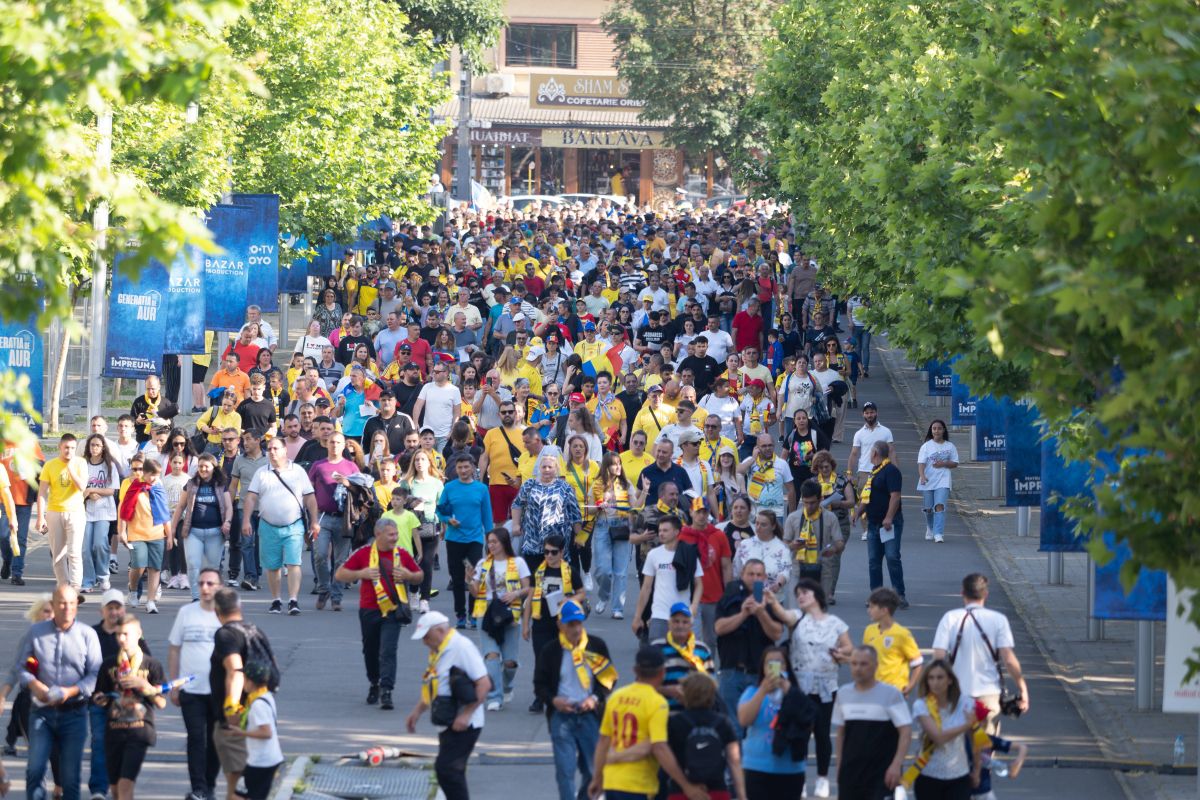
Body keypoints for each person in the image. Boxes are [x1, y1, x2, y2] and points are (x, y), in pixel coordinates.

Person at [16, 585, 103, 800]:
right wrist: (34, 684)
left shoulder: (87, 635)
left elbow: (94, 674)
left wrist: (70, 691)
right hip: (42, 713)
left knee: (70, 777)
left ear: (77, 606)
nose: (67, 608)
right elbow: (21, 668)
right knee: (35, 769)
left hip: (74, 714)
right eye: (62, 603)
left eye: (72, 603)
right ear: (54, 605)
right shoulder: (36, 632)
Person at [587, 646, 707, 800]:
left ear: (635, 671)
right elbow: (659, 747)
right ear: (663, 673)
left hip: (612, 781)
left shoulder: (616, 697)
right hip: (638, 784)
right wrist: (685, 785)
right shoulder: (657, 703)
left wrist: (597, 778)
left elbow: (603, 741)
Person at [336, 517, 423, 710]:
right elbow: (340, 574)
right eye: (391, 534)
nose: (395, 538)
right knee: (371, 650)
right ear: (378, 535)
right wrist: (361, 574)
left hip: (394, 610)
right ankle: (374, 682)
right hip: (370, 609)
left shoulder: (402, 554)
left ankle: (386, 690)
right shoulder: (364, 553)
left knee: (388, 651)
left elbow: (419, 576)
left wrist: (408, 576)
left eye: (396, 534)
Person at [533, 601, 616, 800]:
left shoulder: (596, 646)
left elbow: (609, 679)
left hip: (590, 716)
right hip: (562, 717)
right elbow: (539, 684)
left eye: (579, 623)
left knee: (592, 769)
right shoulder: (551, 650)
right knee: (565, 771)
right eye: (571, 624)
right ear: (560, 625)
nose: (576, 629)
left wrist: (594, 699)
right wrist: (554, 701)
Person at [405, 612, 490, 800]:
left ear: (441, 630)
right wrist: (417, 712)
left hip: (465, 723)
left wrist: (466, 715)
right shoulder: (438, 650)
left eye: (427, 637)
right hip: (447, 720)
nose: (425, 642)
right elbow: (433, 685)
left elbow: (484, 683)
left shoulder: (461, 647)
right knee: (450, 771)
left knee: (448, 770)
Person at [780, 579, 852, 798]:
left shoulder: (835, 622)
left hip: (826, 686)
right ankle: (799, 779)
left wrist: (841, 655)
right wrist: (769, 600)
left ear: (817, 595)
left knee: (822, 733)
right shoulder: (797, 617)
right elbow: (781, 615)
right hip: (800, 687)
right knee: (800, 734)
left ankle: (822, 778)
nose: (800, 597)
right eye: (798, 594)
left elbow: (849, 647)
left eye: (804, 593)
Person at [932, 574, 1029, 732]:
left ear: (962, 593)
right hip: (988, 694)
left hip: (957, 694)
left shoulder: (950, 618)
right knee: (985, 747)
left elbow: (938, 657)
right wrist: (1022, 689)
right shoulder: (998, 620)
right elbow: (1009, 660)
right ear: (986, 594)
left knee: (956, 745)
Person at [209, 588, 279, 800]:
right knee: (247, 787)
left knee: (236, 788)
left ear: (216, 611)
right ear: (240, 607)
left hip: (238, 720)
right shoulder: (254, 630)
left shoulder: (225, 634)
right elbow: (272, 665)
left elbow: (235, 670)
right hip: (259, 711)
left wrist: (231, 707)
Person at [92, 614, 166, 800]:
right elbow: (99, 696)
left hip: (139, 731)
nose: (122, 639)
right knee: (116, 788)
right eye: (118, 635)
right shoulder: (109, 664)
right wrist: (101, 699)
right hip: (114, 730)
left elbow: (162, 703)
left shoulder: (151, 664)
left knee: (126, 785)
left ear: (138, 634)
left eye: (126, 634)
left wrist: (145, 686)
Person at [243, 438, 320, 616]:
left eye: (276, 448)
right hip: (268, 525)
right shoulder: (261, 473)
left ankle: (293, 600)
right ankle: (276, 600)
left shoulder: (298, 471)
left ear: (285, 450)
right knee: (273, 566)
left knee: (294, 563)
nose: (272, 452)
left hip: (293, 525)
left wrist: (314, 520)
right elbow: (251, 497)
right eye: (269, 449)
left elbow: (309, 498)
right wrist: (246, 520)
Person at [167, 568, 222, 800]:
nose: (205, 588)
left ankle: (209, 783)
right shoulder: (186, 612)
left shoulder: (225, 614)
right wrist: (174, 685)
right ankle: (198, 787)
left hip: (219, 691)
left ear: (219, 587)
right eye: (201, 583)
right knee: (196, 738)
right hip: (190, 689)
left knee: (215, 740)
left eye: (210, 583)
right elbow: (174, 648)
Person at [714, 559, 786, 737]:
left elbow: (777, 634)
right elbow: (719, 628)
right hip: (732, 671)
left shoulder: (769, 600)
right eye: (750, 574)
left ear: (765, 578)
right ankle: (736, 765)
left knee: (760, 725)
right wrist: (743, 614)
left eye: (759, 575)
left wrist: (761, 613)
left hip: (761, 674)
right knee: (733, 728)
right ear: (742, 575)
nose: (755, 578)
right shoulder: (731, 593)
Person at [832, 647, 912, 800]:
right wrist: (839, 766)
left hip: (880, 774)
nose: (858, 669)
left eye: (864, 664)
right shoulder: (843, 693)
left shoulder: (891, 694)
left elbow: (906, 732)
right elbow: (840, 733)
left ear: (876, 665)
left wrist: (896, 765)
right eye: (854, 664)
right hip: (851, 774)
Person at [467, 527, 531, 711]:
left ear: (504, 543)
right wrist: (469, 580)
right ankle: (494, 696)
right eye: (489, 541)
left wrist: (516, 593)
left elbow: (528, 588)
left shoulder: (518, 562)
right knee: (491, 655)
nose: (491, 545)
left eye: (495, 541)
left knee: (510, 661)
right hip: (486, 612)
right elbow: (474, 591)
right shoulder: (483, 564)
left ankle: (506, 686)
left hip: (510, 613)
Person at [522, 534, 586, 714]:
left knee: (561, 659)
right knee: (541, 660)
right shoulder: (539, 572)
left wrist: (569, 600)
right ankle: (539, 697)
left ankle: (560, 693)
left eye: (553, 552)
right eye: (546, 552)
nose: (549, 556)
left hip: (563, 624)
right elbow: (530, 597)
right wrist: (525, 625)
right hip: (540, 622)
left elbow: (582, 593)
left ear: (562, 552)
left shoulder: (570, 571)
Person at [736, 647, 806, 799]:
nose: (774, 666)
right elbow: (744, 720)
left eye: (779, 662)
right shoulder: (752, 692)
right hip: (757, 767)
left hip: (790, 768)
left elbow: (807, 721)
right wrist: (762, 691)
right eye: (770, 663)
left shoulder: (796, 693)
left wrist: (789, 692)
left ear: (786, 666)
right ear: (763, 667)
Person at [905, 660, 980, 800]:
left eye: (940, 677)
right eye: (931, 678)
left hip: (959, 775)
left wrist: (977, 769)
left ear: (950, 680)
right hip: (929, 774)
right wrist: (966, 725)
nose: (935, 682)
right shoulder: (921, 705)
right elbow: (938, 737)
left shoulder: (965, 703)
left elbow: (976, 739)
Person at [437, 455, 494, 628]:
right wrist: (448, 520)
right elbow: (440, 511)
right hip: (454, 539)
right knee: (458, 580)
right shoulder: (449, 487)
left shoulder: (481, 489)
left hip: (474, 539)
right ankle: (460, 615)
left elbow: (487, 516)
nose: (463, 471)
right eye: (460, 468)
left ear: (473, 468)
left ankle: (474, 614)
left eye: (466, 467)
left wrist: (490, 539)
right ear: (456, 469)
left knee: (474, 578)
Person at [308, 432, 359, 612]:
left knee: (340, 560)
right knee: (320, 555)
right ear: (327, 444)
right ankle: (323, 588)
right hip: (322, 517)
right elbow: (309, 492)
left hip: (344, 519)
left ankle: (336, 596)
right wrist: (312, 518)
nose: (335, 445)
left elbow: (361, 492)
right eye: (332, 442)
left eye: (338, 442)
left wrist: (348, 484)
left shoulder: (351, 466)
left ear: (344, 445)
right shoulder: (318, 466)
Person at [171, 455, 233, 603]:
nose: (203, 469)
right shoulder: (191, 484)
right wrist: (172, 528)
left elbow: (229, 507)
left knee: (212, 567)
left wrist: (228, 522)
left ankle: (211, 596)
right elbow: (180, 507)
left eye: (206, 466)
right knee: (193, 564)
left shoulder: (220, 484)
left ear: (213, 468)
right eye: (200, 466)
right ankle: (196, 597)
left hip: (215, 533)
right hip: (193, 532)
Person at [632, 515, 704, 642]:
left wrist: (694, 605)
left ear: (676, 532)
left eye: (665, 530)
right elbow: (646, 588)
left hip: (682, 617)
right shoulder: (653, 554)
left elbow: (699, 584)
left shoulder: (689, 553)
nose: (661, 534)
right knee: (657, 658)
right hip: (659, 616)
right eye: (660, 531)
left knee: (680, 658)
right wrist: (638, 617)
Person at [220, 660, 282, 800]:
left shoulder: (258, 705)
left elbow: (266, 732)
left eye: (245, 678)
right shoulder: (265, 697)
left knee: (239, 796)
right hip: (264, 759)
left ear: (251, 682)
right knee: (240, 795)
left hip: (261, 762)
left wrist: (240, 732)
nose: (243, 682)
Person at [856, 440, 908, 607]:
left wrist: (889, 517)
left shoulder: (891, 471)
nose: (870, 454)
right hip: (873, 522)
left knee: (892, 557)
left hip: (889, 524)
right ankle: (876, 596)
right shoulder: (874, 471)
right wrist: (858, 512)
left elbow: (895, 496)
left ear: (875, 454)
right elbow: (867, 495)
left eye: (871, 452)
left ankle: (899, 594)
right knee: (874, 561)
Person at [117, 459, 172, 614]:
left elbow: (164, 513)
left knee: (155, 568)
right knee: (138, 564)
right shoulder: (133, 487)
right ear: (145, 473)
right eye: (151, 474)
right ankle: (133, 589)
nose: (154, 478)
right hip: (137, 533)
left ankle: (151, 601)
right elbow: (123, 509)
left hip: (156, 533)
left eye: (157, 475)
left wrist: (169, 535)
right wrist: (121, 531)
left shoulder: (158, 488)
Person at [37, 434, 89, 589]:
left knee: (74, 553)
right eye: (66, 447)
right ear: (60, 447)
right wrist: (41, 517)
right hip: (54, 512)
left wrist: (71, 469)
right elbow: (41, 493)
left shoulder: (80, 463)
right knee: (58, 554)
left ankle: (75, 588)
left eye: (72, 448)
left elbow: (82, 487)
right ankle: (63, 586)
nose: (69, 451)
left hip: (75, 513)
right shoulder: (50, 465)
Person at [590, 452, 637, 621]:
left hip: (622, 527)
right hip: (603, 526)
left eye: (619, 463)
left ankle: (618, 607)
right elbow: (590, 510)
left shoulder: (626, 484)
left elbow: (635, 507)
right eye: (613, 464)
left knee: (621, 572)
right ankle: (604, 595)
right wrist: (599, 506)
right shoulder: (597, 484)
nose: (618, 467)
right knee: (603, 570)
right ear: (606, 466)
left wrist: (644, 492)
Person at [783, 479, 844, 604]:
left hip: (823, 571)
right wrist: (792, 545)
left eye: (813, 503)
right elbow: (783, 545)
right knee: (797, 613)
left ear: (820, 499)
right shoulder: (793, 518)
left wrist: (833, 549)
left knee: (819, 614)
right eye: (806, 503)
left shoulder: (830, 518)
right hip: (797, 571)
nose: (809, 506)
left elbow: (840, 543)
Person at [650, 602, 714, 710]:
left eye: (685, 622)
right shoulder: (656, 649)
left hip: (694, 715)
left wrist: (691, 694)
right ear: (669, 624)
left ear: (691, 625)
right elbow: (644, 685)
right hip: (663, 713)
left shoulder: (702, 650)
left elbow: (711, 684)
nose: (680, 626)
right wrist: (669, 690)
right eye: (676, 621)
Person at [863, 588, 923, 696]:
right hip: (872, 689)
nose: (869, 610)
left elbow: (917, 663)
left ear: (884, 610)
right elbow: (865, 659)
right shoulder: (869, 630)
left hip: (894, 691)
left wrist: (910, 685)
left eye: (872, 607)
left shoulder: (902, 634)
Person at [228, 430, 268, 590]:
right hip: (244, 508)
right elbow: (232, 485)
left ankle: (256, 574)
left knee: (259, 543)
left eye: (248, 439)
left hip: (264, 508)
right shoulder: (239, 460)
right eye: (243, 440)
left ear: (258, 440)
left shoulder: (268, 459)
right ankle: (250, 576)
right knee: (246, 542)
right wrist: (228, 507)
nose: (245, 443)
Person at [917, 419, 959, 543]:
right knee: (929, 508)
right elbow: (921, 463)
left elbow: (955, 463)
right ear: (931, 430)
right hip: (928, 480)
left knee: (939, 505)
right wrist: (922, 476)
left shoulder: (950, 446)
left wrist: (944, 463)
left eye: (939, 428)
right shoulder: (926, 446)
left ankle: (938, 533)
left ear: (943, 430)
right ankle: (930, 528)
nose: (936, 430)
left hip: (943, 481)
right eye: (934, 428)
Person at [731, 510, 791, 595]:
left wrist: (778, 584)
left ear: (773, 526)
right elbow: (736, 571)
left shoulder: (782, 548)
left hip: (772, 598)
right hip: (746, 596)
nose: (758, 527)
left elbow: (785, 571)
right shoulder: (744, 544)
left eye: (763, 525)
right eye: (757, 523)